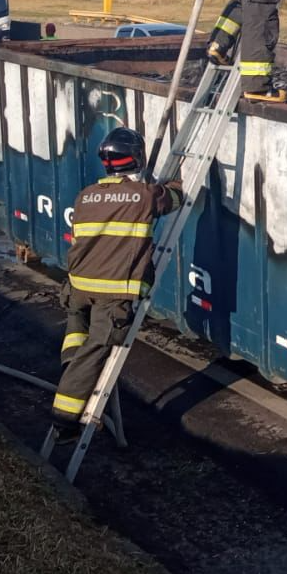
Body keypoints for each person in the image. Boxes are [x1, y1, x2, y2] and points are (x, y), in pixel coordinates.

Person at [50, 127, 183, 440]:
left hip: (77, 285)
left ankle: (70, 362)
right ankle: (64, 420)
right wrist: (172, 182)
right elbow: (174, 199)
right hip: (112, 292)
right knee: (96, 350)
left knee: (76, 328)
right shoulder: (144, 196)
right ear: (136, 158)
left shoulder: (86, 196)